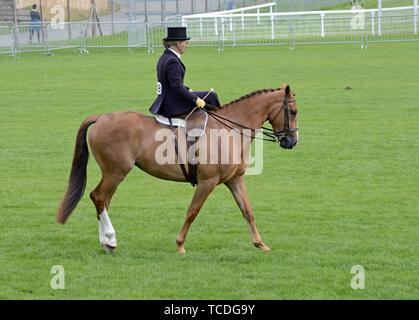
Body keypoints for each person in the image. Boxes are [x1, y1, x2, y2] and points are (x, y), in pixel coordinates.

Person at [149, 27, 221, 118]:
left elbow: (171, 83)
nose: (187, 45)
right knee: (211, 96)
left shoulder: (164, 57)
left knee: (209, 95)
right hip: (172, 104)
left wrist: (188, 89)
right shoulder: (172, 61)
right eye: (185, 43)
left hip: (166, 100)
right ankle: (221, 126)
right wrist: (196, 99)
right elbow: (177, 87)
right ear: (178, 44)